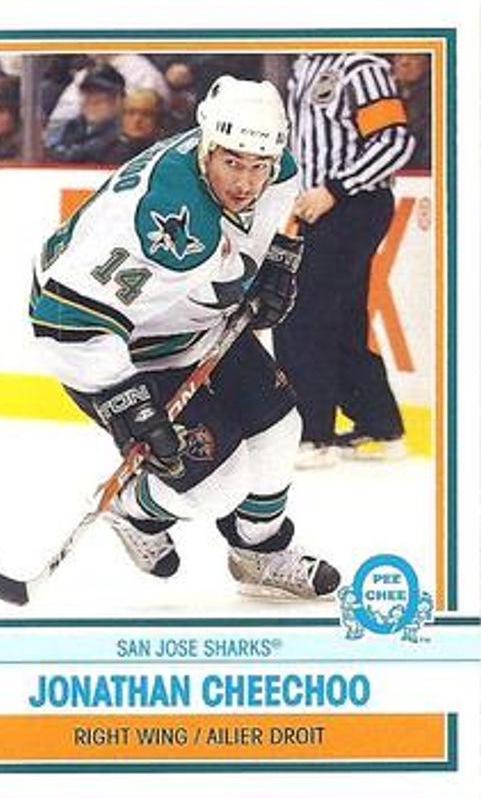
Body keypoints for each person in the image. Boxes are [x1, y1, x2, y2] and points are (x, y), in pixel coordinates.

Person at [29, 75, 340, 600]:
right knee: (218, 488)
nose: (246, 182)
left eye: (258, 165)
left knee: (280, 431)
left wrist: (276, 264)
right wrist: (122, 396)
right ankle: (133, 509)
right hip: (119, 351)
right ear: (206, 147)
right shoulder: (159, 221)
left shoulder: (278, 171)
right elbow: (62, 318)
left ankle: (259, 552)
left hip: (194, 325)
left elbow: (263, 228)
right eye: (233, 163)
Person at [273, 52, 415, 467]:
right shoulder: (304, 66)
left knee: (302, 313)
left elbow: (394, 141)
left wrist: (335, 189)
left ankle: (313, 434)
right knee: (340, 317)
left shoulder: (360, 67)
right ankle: (380, 425)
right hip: (317, 207)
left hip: (354, 204)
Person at [45, 66, 125, 164]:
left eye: (100, 97)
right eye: (88, 93)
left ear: (118, 101)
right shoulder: (72, 126)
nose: (91, 101)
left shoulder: (123, 133)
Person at [103, 89, 163, 165]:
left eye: (146, 114)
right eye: (131, 112)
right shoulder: (102, 152)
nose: (137, 120)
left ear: (158, 119)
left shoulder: (165, 155)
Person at [393, 54, 431, 170]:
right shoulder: (384, 93)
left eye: (414, 56)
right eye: (399, 57)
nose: (404, 62)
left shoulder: (435, 96)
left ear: (427, 64)